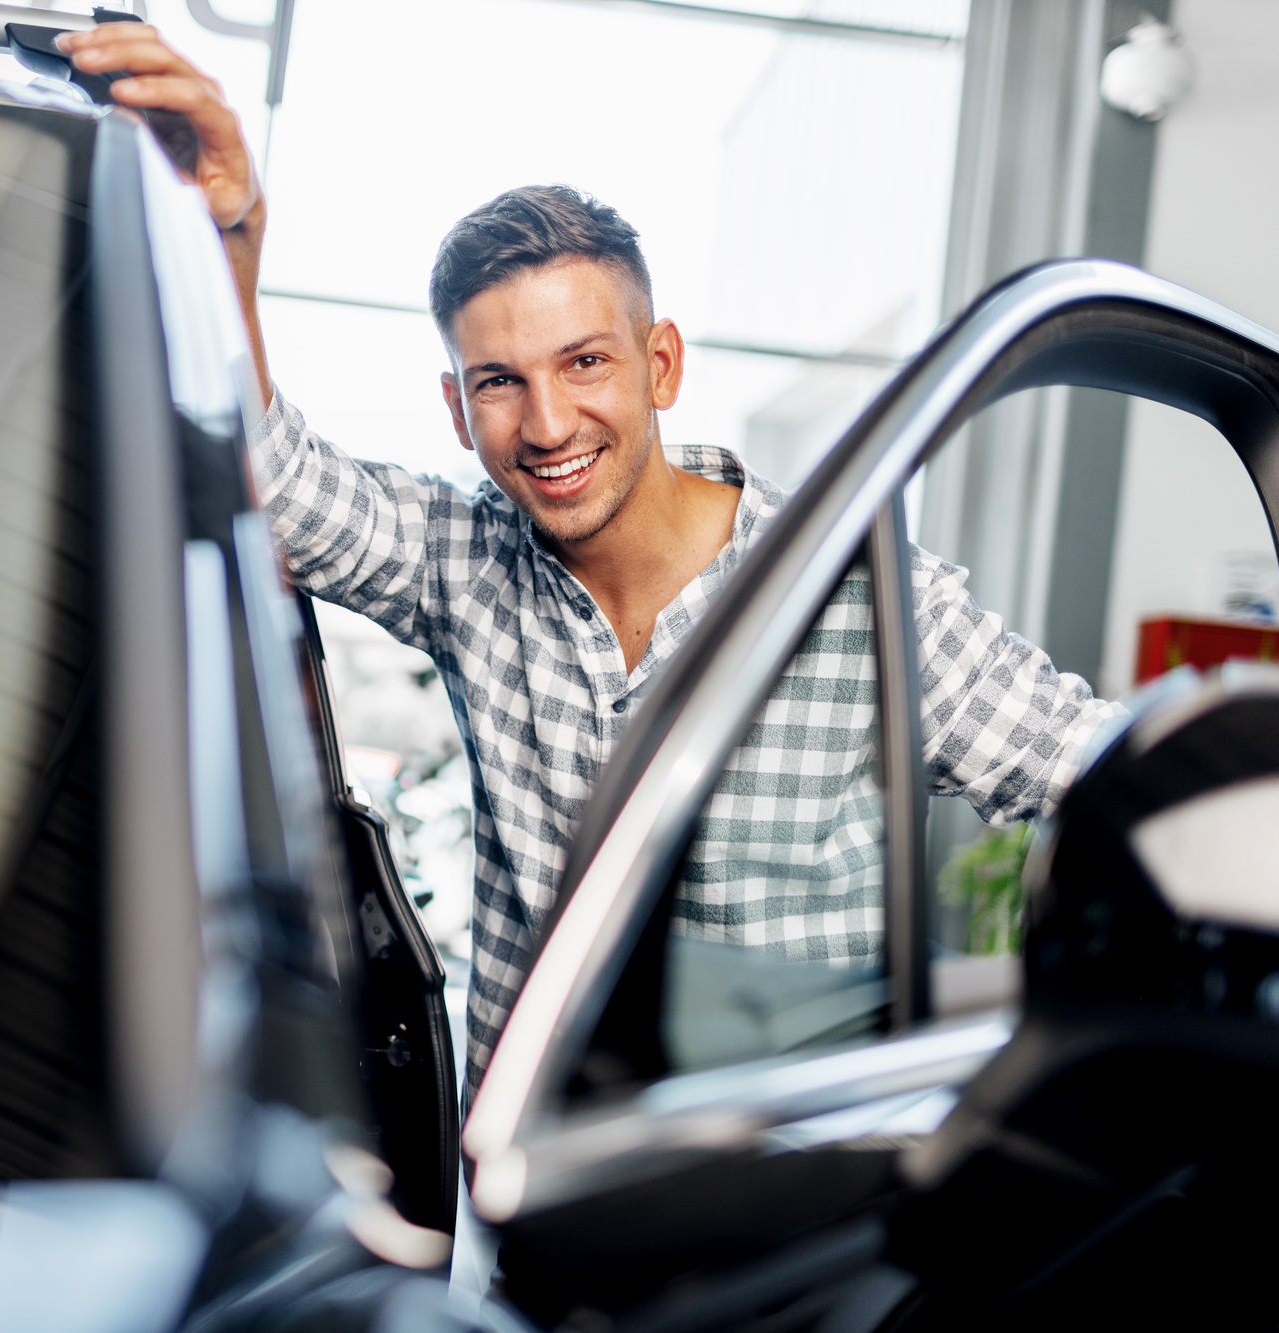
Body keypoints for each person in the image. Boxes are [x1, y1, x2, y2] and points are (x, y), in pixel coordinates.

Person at [59, 24, 1119, 1095]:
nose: (548, 421)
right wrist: (229, 247)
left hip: (779, 1211)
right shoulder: (461, 561)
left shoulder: (859, 594)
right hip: (530, 1192)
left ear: (658, 364)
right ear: (457, 409)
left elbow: (1107, 776)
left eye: (584, 362)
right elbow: (272, 482)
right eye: (498, 381)